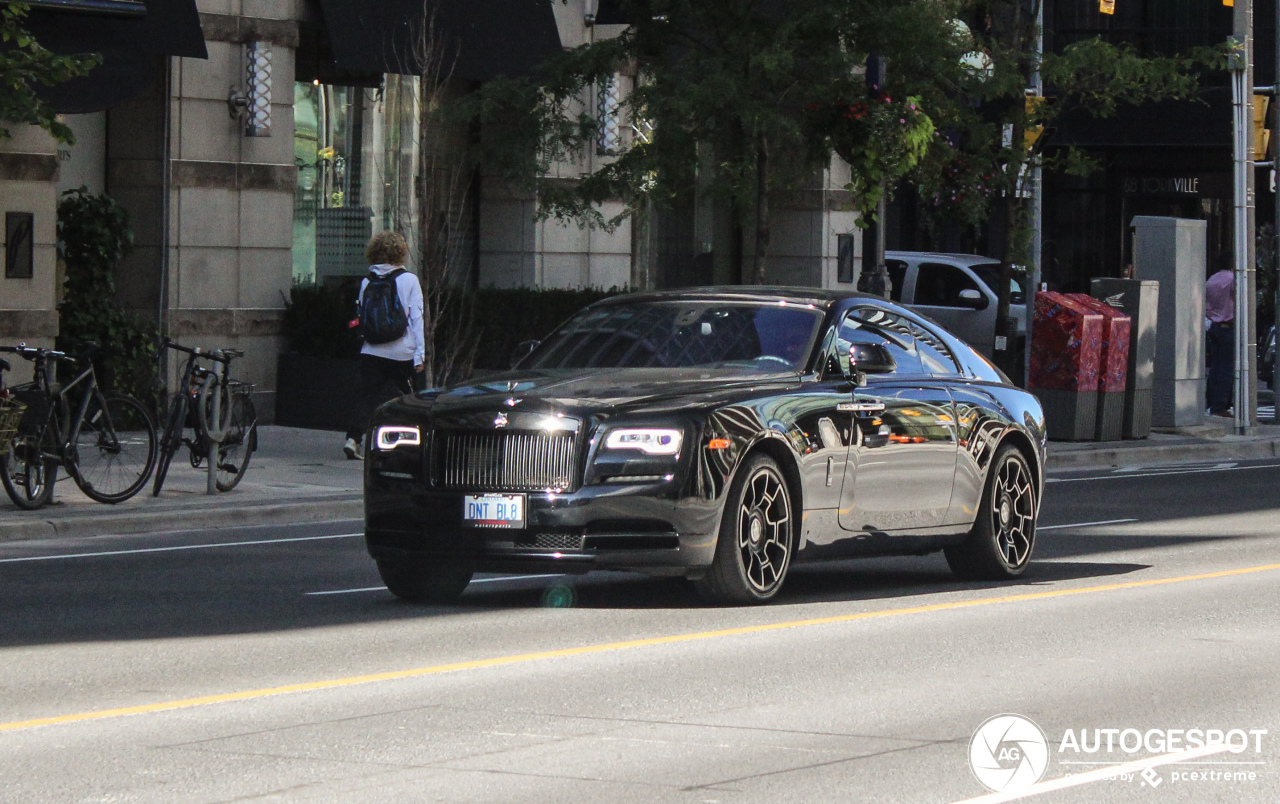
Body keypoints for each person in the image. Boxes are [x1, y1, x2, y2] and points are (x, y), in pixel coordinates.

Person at [343, 231, 424, 459]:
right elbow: (417, 318)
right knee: (413, 398)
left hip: (371, 349)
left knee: (366, 397)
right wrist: (420, 354)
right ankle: (419, 441)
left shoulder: (367, 281)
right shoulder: (409, 280)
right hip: (402, 352)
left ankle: (353, 440)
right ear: (401, 253)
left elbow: (361, 315)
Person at [1204, 266, 1235, 417]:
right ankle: (1220, 405)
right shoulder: (1232, 279)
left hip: (1214, 325)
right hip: (1228, 326)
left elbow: (1207, 306)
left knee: (1215, 366)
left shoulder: (1212, 279)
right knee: (1226, 368)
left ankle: (1211, 402)